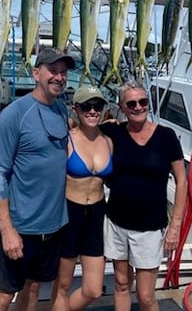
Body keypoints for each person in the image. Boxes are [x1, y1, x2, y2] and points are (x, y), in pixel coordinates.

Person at [0, 47, 76, 311]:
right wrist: (7, 230)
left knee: (33, 288)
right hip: (20, 227)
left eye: (63, 72)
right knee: (2, 294)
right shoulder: (15, 113)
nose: (59, 77)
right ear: (36, 73)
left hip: (53, 226)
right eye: (52, 71)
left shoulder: (60, 111)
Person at [100, 80, 188, 311]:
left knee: (146, 295)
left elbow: (182, 181)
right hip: (117, 222)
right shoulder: (113, 131)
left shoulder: (166, 137)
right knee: (120, 284)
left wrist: (175, 227)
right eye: (131, 103)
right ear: (122, 106)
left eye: (143, 102)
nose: (138, 107)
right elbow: (83, 127)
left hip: (150, 228)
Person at [51, 85, 113, 311]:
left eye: (97, 106)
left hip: (96, 215)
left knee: (94, 289)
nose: (93, 111)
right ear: (75, 108)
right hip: (69, 214)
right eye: (86, 106)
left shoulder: (108, 140)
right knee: (62, 287)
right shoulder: (66, 137)